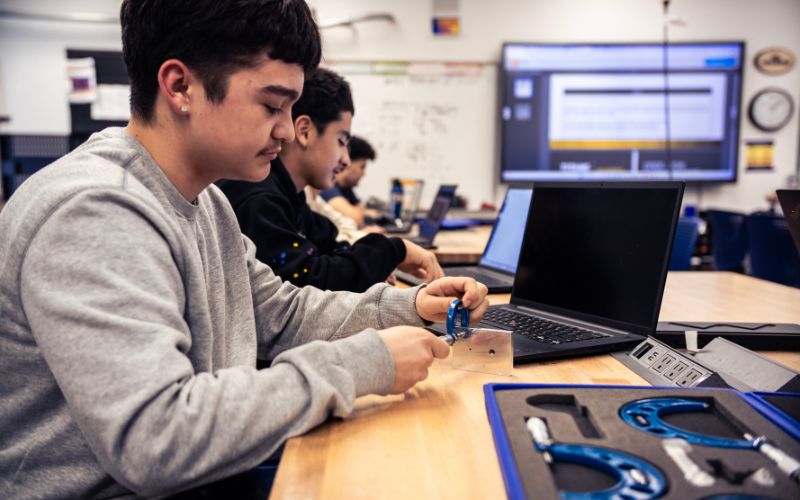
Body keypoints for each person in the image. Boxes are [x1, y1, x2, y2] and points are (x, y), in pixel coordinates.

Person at [0, 1, 489, 498]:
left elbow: (282, 316)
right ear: (180, 87)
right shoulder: (96, 212)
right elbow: (157, 440)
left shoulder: (207, 200)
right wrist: (362, 364)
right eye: (271, 105)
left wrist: (407, 308)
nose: (285, 129)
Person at [219, 68, 443, 292]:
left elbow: (330, 246)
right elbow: (310, 282)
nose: (346, 160)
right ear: (305, 131)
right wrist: (395, 250)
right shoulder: (259, 198)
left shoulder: (289, 195)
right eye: (341, 141)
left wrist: (372, 267)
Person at [321, 135, 381, 226]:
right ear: (349, 163)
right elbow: (357, 218)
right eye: (362, 167)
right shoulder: (327, 186)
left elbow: (359, 211)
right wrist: (364, 213)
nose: (363, 173)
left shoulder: (346, 188)